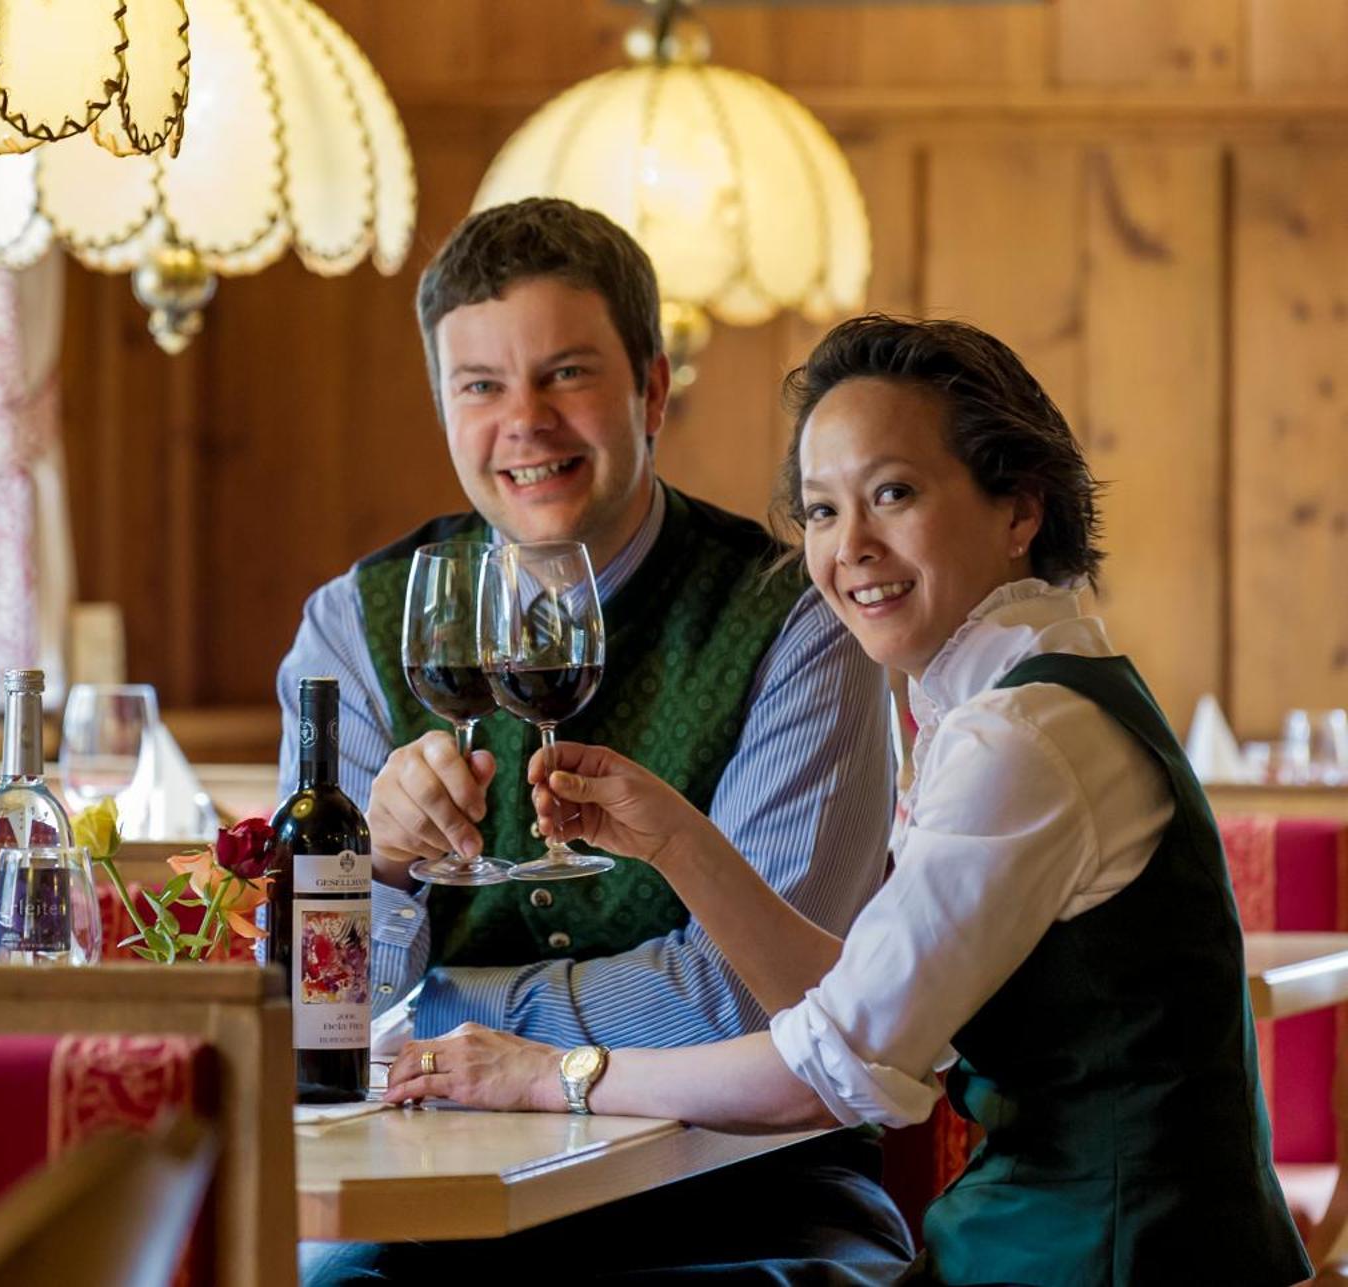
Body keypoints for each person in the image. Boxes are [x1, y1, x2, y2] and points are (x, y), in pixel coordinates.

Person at [386, 315, 1312, 1286]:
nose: (849, 547)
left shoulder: (1023, 736)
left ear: (1017, 510)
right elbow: (866, 1006)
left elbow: (829, 1071)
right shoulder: (1031, 695)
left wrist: (548, 1075)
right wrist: (679, 845)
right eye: (821, 512)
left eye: (892, 495)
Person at [278, 199, 910, 1278]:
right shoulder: (351, 623)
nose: (521, 421)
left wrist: (467, 1019)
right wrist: (374, 865)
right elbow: (310, 1010)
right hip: (424, 1182)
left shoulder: (795, 622)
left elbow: (745, 998)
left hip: (739, 1186)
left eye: (564, 374)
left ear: (650, 390)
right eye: (479, 386)